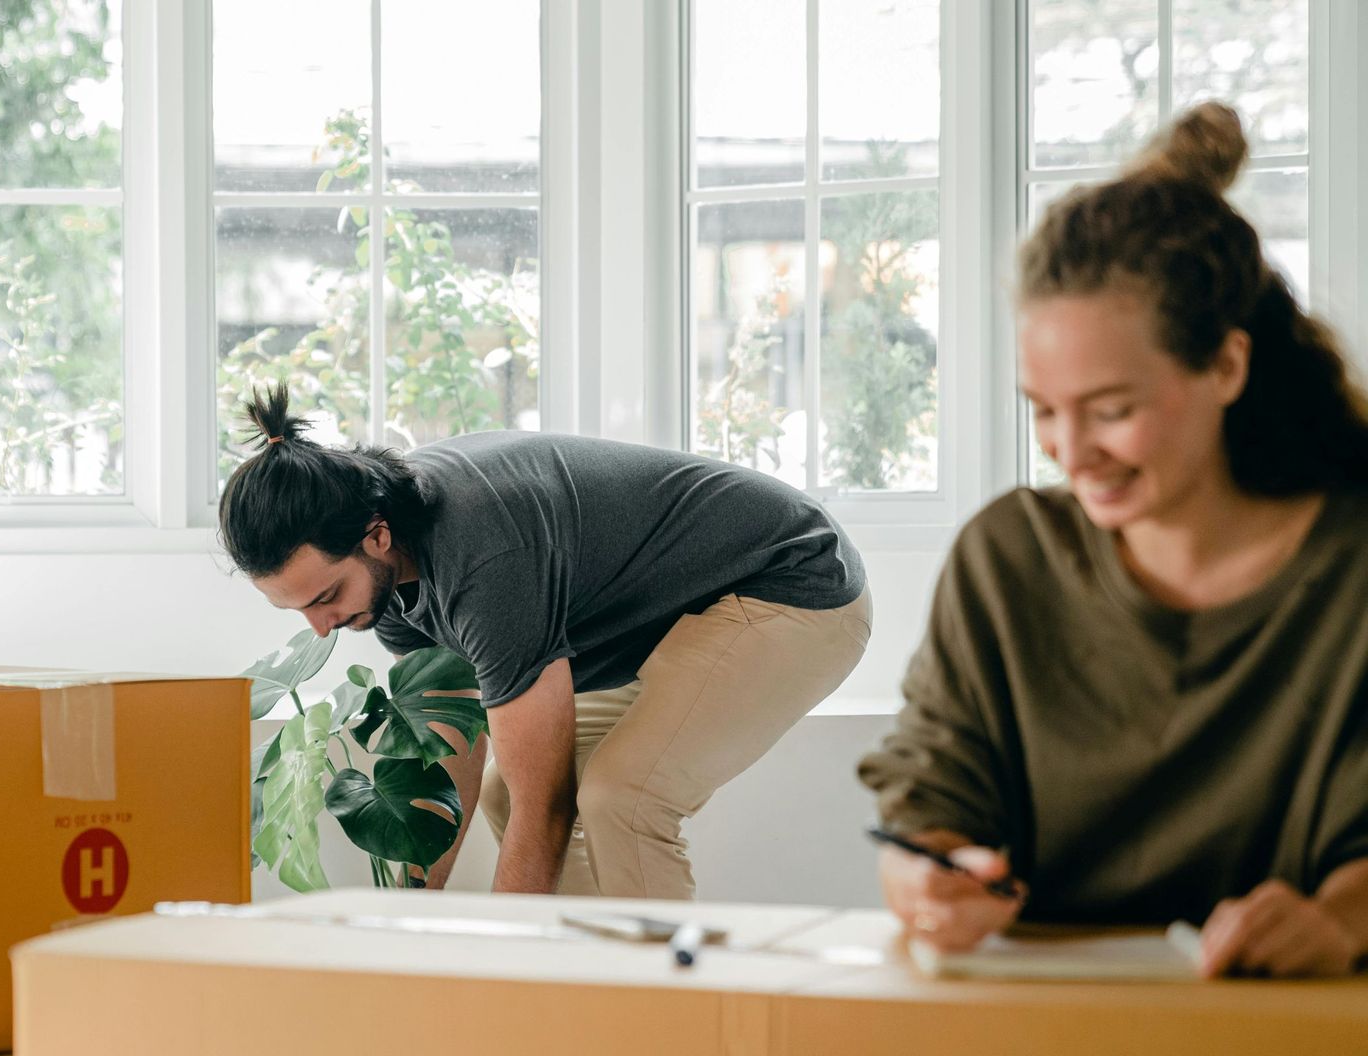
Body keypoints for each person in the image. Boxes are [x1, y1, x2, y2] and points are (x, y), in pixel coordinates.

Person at [858, 103, 1368, 977]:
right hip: (1045, 1043)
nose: (1072, 451)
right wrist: (926, 877)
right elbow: (931, 798)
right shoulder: (1008, 558)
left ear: (1227, 366)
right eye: (1045, 411)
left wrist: (1338, 921)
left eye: (1113, 410)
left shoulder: (1350, 571)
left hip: (1304, 1040)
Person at [220, 385, 871, 898]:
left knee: (624, 797)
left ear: (377, 535)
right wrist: (412, 912)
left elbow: (548, 806)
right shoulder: (388, 587)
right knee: (510, 792)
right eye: (298, 609)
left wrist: (503, 979)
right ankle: (585, 989)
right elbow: (453, 744)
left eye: (326, 597)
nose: (321, 626)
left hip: (792, 583)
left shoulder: (486, 559)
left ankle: (661, 1033)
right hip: (681, 622)